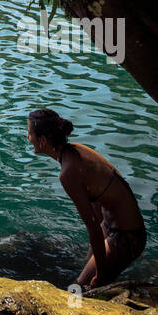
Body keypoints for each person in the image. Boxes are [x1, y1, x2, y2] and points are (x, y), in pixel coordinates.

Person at [27, 108, 146, 287]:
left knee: (78, 288)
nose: (27, 137)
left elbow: (92, 228)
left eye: (29, 133)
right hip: (112, 227)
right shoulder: (75, 150)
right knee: (90, 273)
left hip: (127, 237)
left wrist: (102, 272)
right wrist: (99, 256)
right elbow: (98, 204)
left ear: (43, 140)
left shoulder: (68, 172)